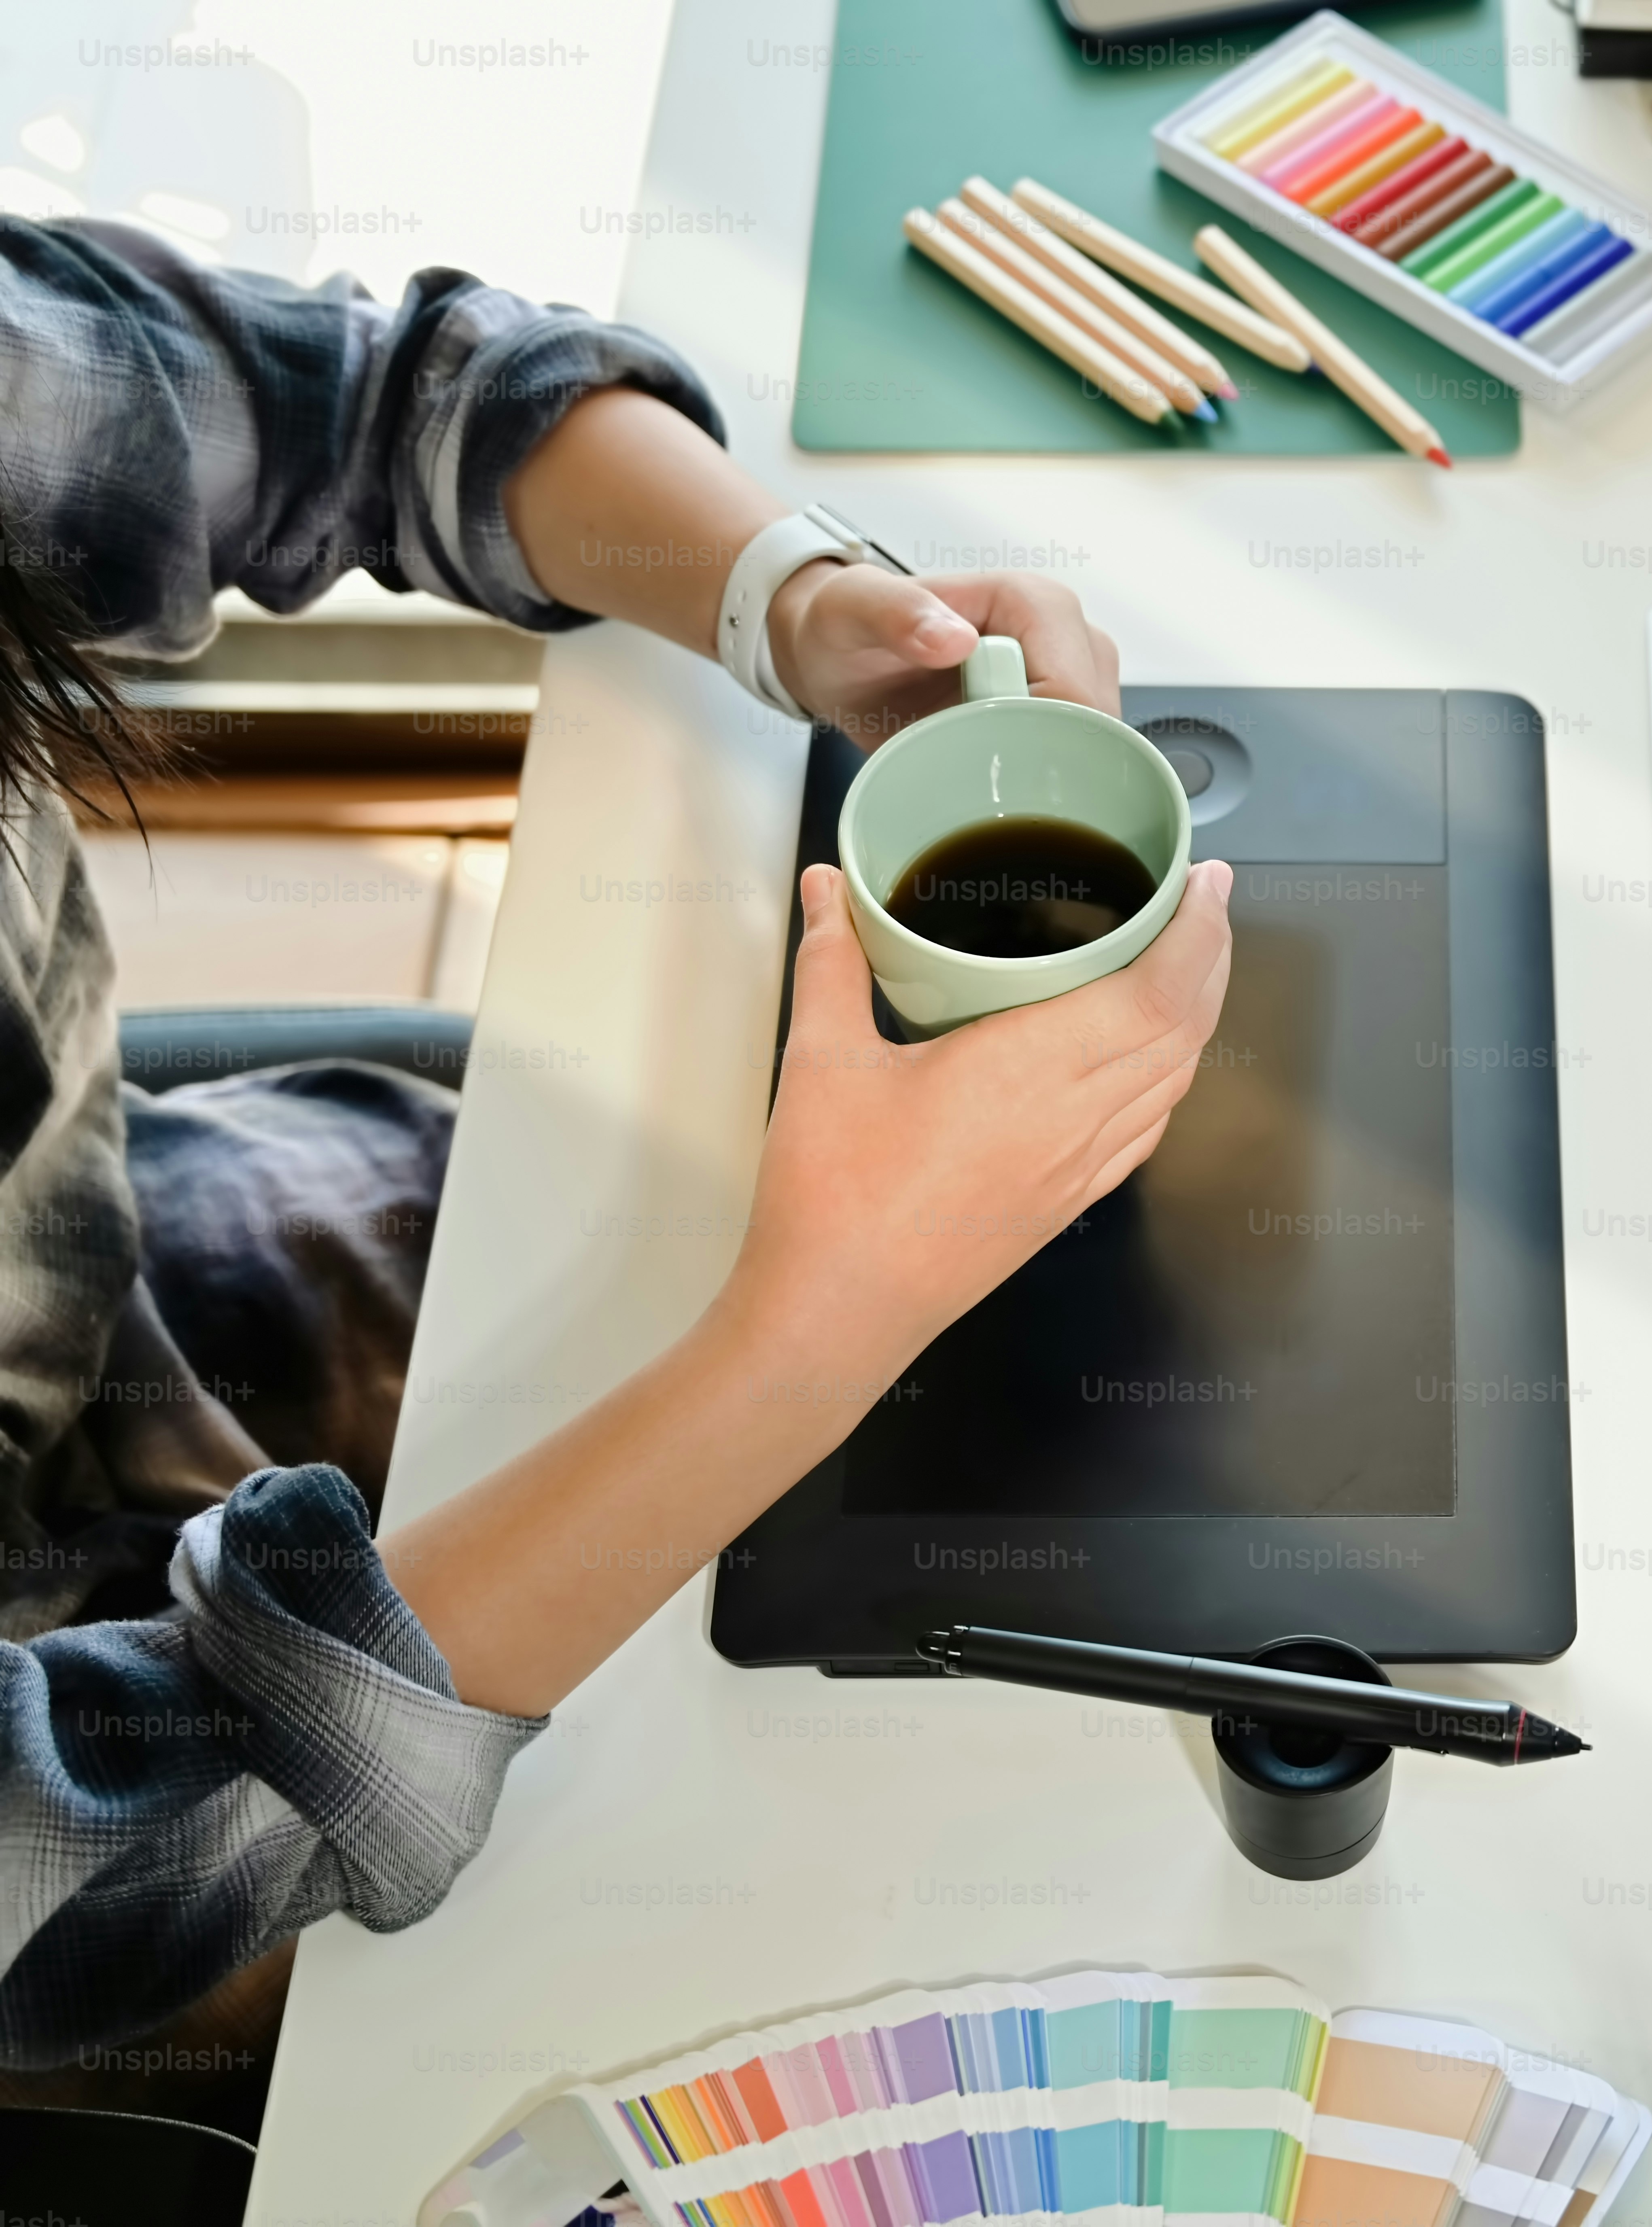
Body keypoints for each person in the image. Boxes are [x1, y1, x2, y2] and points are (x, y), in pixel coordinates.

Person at [0, 217, 1238, 2070]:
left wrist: (805, 602)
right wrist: (819, 1324)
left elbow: (379, 404)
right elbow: (106, 1838)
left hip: (116, 1256)